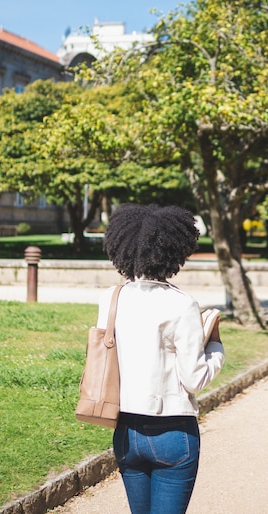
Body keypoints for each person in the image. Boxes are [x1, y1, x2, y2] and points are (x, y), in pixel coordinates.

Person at [98, 203, 225, 514]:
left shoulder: (112, 299)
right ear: (176, 251)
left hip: (126, 431)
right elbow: (194, 379)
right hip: (173, 432)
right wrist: (217, 347)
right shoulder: (181, 304)